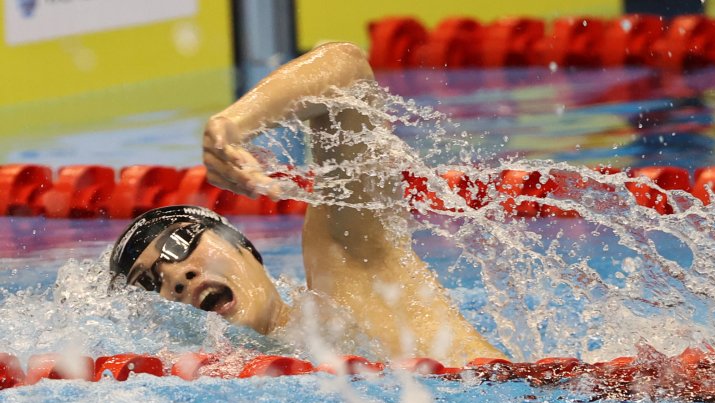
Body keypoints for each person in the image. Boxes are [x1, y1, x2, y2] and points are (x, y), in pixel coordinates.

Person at [110, 42, 504, 365]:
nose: (176, 276)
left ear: (241, 244)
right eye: (149, 282)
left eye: (179, 244)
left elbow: (347, 72)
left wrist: (231, 126)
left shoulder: (348, 285)